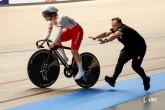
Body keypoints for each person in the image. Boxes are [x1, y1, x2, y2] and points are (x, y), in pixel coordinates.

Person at [88, 17, 150, 91]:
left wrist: (105, 40)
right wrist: (96, 37)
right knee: (120, 61)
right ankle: (113, 80)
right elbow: (106, 33)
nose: (113, 27)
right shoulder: (115, 29)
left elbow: (115, 35)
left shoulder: (124, 28)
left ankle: (146, 80)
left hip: (139, 48)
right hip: (129, 48)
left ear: (120, 24)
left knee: (135, 66)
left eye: (114, 25)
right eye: (112, 25)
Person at [38, 5, 85, 80]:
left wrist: (53, 43)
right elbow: (48, 32)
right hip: (69, 31)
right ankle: (65, 58)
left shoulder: (60, 18)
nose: (45, 17)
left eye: (46, 15)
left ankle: (81, 71)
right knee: (57, 41)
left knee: (74, 51)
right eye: (44, 15)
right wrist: (42, 43)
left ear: (52, 14)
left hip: (77, 30)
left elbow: (59, 32)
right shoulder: (51, 21)